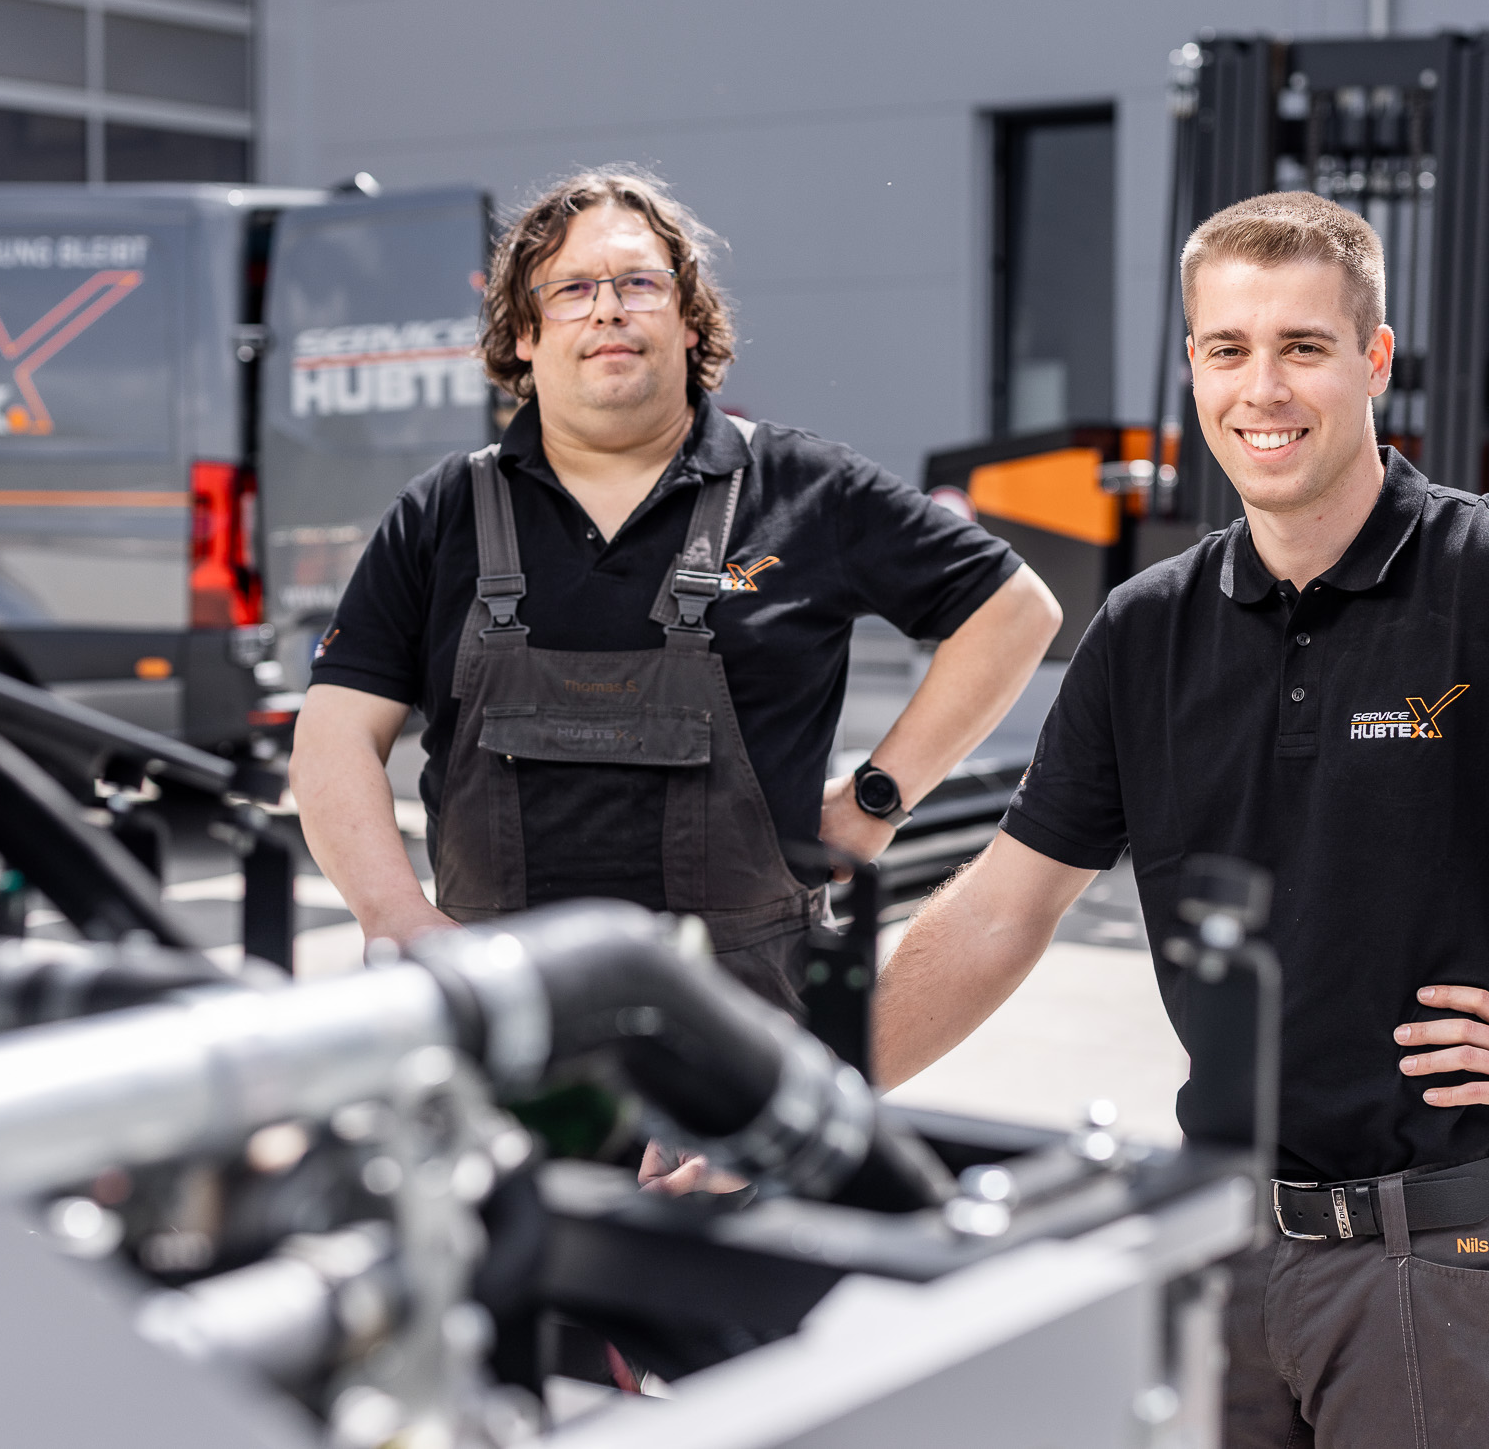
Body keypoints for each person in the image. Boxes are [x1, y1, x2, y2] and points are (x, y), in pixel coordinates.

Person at [872, 190, 1489, 1446]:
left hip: (1438, 1264)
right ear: (1192, 367)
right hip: (1215, 1247)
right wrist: (800, 1092)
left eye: (1303, 347)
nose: (1261, 387)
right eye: (1227, 349)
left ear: (1374, 359)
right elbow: (1002, 910)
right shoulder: (1147, 630)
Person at [292, 160, 1060, 1018]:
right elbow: (333, 735)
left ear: (690, 321)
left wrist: (878, 797)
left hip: (747, 1032)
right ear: (521, 334)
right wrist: (396, 917)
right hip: (498, 1019)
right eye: (572, 288)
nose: (609, 307)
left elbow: (1015, 609)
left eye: (639, 282)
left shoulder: (809, 488)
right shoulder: (441, 514)